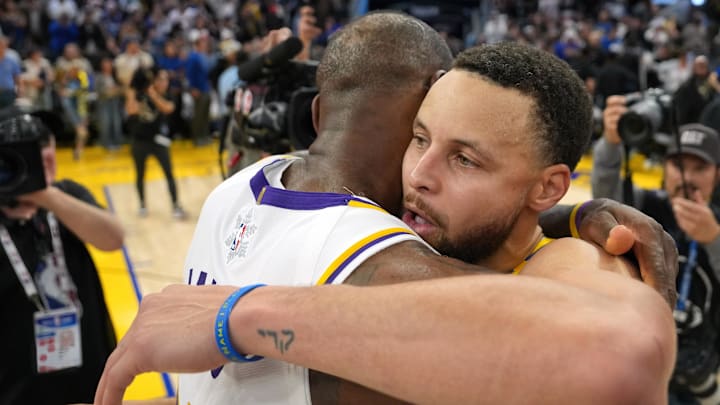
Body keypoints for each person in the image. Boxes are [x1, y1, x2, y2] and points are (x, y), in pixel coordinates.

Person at [95, 13, 677, 405]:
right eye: (418, 138)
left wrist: (239, 316)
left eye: (465, 160)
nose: (420, 174)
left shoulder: (245, 185)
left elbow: (623, 352)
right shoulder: (393, 253)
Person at [592, 95, 720, 405]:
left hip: (697, 373)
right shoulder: (646, 206)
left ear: (717, 173)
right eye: (678, 164)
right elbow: (604, 197)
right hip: (634, 359)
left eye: (699, 168)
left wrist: (713, 239)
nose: (686, 178)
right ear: (665, 167)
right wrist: (611, 143)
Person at [0, 112, 124, 404]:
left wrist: (45, 195)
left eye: (46, 144)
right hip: (16, 383)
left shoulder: (66, 195)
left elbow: (113, 238)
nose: (44, 154)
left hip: (86, 368)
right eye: (29, 149)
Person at [125, 67, 186, 219]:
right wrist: (131, 91)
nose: (163, 83)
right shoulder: (140, 95)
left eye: (166, 80)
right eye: (160, 80)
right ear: (154, 81)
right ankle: (142, 205)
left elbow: (167, 108)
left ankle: (175, 204)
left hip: (159, 141)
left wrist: (152, 94)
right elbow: (131, 110)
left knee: (169, 173)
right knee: (140, 174)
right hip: (139, 141)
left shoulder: (169, 96)